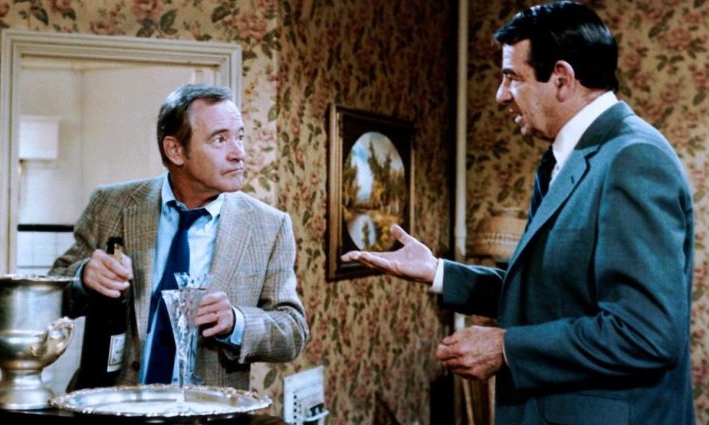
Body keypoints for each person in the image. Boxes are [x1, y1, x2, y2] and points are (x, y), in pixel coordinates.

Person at [342, 2, 695, 424]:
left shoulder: (632, 159)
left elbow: (645, 334)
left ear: (561, 78)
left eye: (512, 77)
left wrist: (505, 347)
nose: (501, 94)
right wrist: (437, 271)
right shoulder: (565, 159)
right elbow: (548, 295)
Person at [51, 84, 309, 390]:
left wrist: (236, 321)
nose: (239, 153)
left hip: (207, 408)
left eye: (239, 137)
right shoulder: (111, 204)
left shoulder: (269, 226)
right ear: (175, 150)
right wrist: (82, 278)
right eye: (220, 139)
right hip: (111, 402)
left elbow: (293, 331)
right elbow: (48, 296)